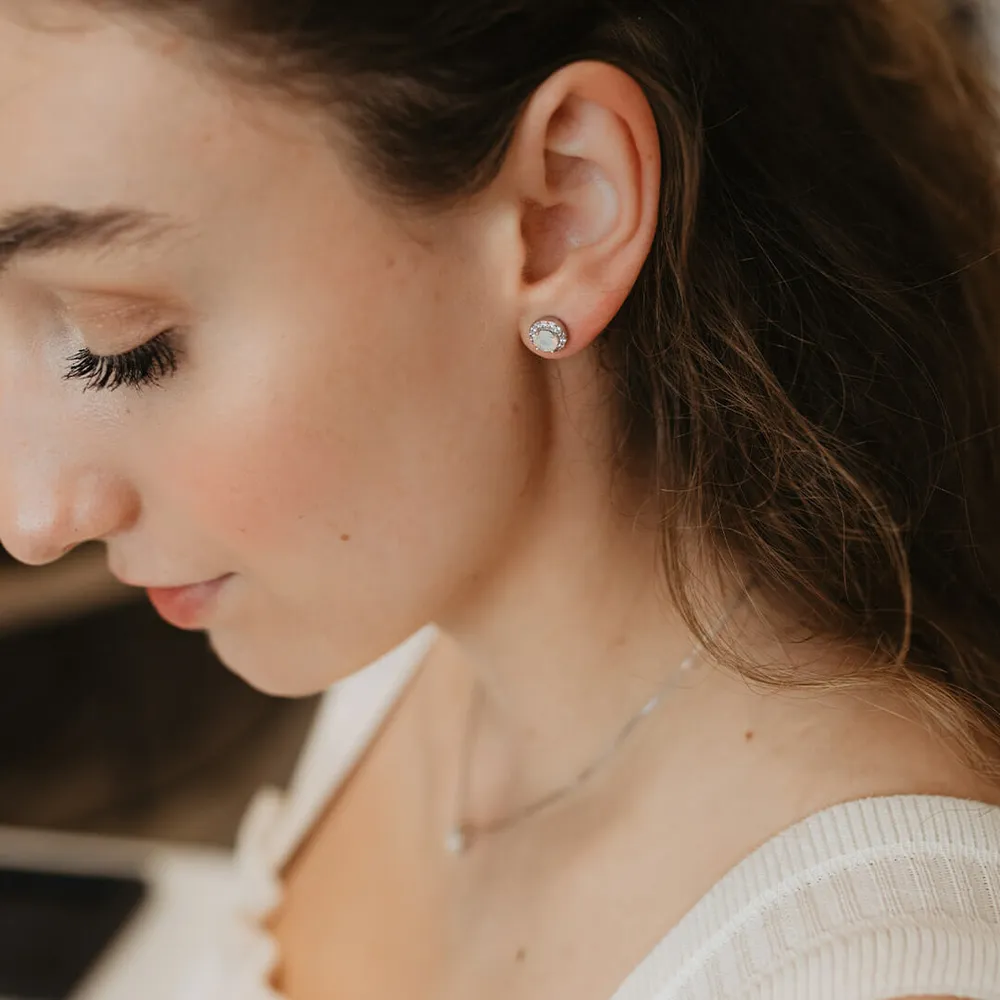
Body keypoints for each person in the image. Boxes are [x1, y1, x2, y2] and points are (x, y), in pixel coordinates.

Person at [0, 1, 998, 997]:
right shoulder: (411, 606)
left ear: (564, 212)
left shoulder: (852, 965)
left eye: (117, 342)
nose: (31, 520)